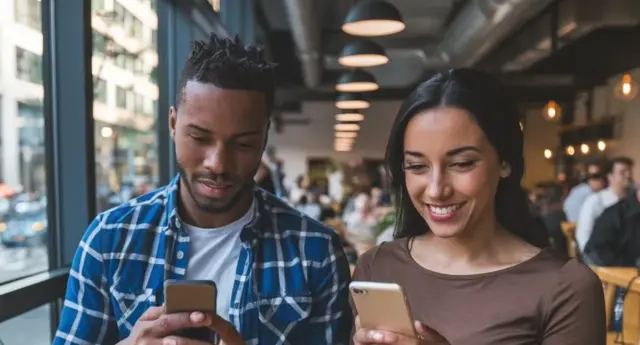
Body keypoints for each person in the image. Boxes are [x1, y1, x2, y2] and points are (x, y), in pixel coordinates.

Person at [53, 34, 352, 345]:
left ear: (264, 137)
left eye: (243, 143)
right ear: (172, 124)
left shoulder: (316, 252)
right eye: (199, 137)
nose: (218, 163)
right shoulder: (110, 238)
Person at [351, 69, 605, 345]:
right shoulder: (377, 268)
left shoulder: (566, 287)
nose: (437, 189)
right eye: (417, 166)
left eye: (461, 163)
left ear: (505, 161)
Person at [575, 156, 634, 253]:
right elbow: (583, 236)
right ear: (610, 176)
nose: (628, 175)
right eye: (622, 172)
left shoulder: (634, 200)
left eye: (630, 171)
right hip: (603, 260)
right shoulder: (595, 201)